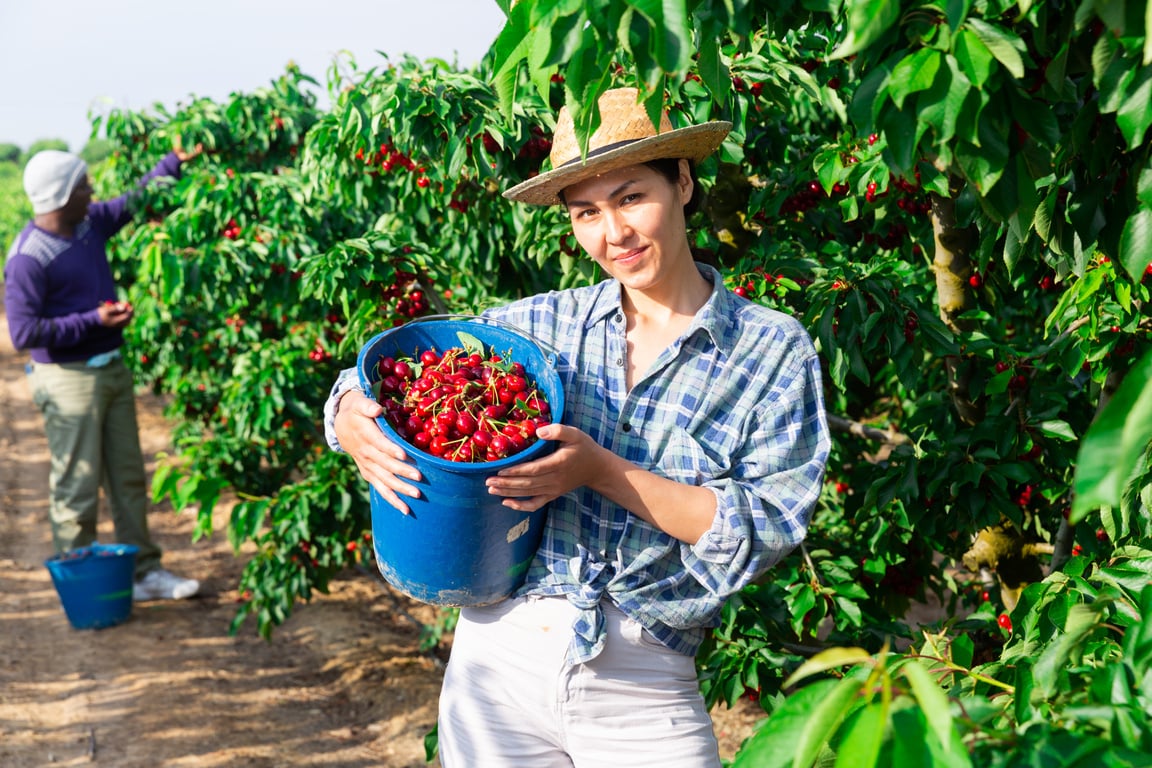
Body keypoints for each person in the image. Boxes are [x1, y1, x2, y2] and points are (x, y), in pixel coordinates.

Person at [324, 87, 831, 766]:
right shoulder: (543, 326)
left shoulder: (768, 349)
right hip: (497, 661)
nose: (612, 234)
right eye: (586, 212)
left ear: (682, 182)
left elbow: (765, 530)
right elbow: (392, 368)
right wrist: (348, 418)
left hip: (644, 682)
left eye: (630, 198)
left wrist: (602, 472)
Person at [5, 143, 202, 602]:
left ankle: (144, 572)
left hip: (111, 368)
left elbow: (134, 201)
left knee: (127, 476)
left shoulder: (89, 225)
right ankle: (83, 586)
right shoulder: (28, 258)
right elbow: (24, 332)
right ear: (61, 196)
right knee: (76, 484)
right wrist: (94, 320)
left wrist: (173, 161)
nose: (92, 192)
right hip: (68, 379)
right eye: (83, 185)